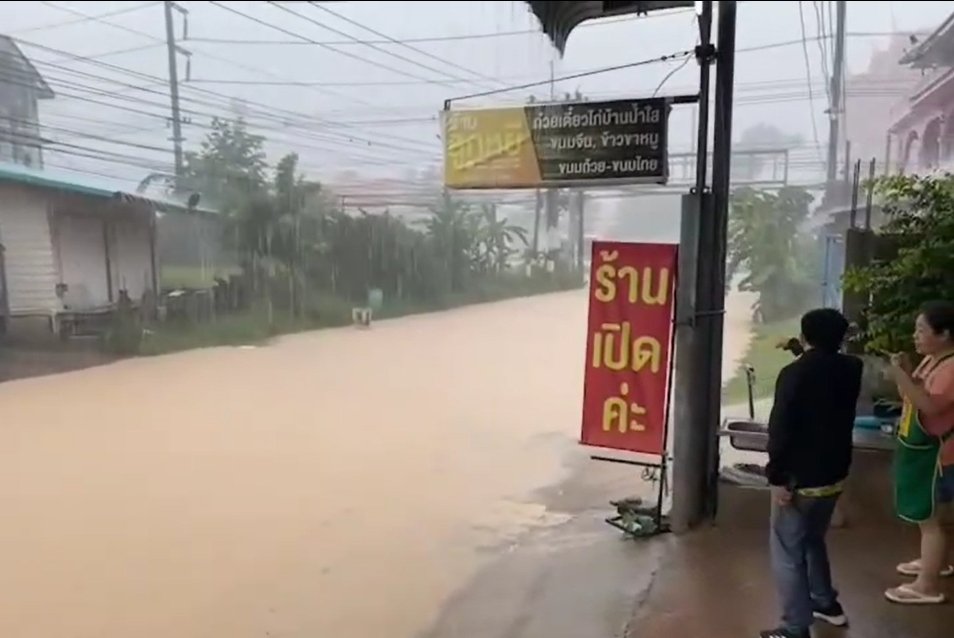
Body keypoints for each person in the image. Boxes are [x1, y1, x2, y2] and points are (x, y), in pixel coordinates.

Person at [760, 308, 863, 638]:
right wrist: (802, 349)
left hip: (798, 478)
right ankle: (825, 603)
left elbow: (781, 428)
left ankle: (794, 627)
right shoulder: (852, 367)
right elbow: (824, 373)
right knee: (813, 540)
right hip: (833, 474)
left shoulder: (794, 374)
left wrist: (775, 477)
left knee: (787, 552)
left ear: (805, 337)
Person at [884, 300, 954, 604]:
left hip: (939, 454)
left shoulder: (952, 367)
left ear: (944, 334)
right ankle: (935, 563)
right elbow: (912, 396)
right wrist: (907, 372)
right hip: (924, 450)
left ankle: (926, 585)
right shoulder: (932, 360)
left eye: (921, 330)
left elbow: (930, 405)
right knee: (930, 515)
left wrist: (899, 377)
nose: (915, 336)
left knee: (930, 519)